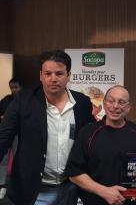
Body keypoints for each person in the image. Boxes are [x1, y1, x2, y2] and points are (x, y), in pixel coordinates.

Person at [0, 50, 95, 205]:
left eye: (59, 73)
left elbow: (91, 141)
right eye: (48, 73)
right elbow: (2, 140)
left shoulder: (82, 103)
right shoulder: (23, 101)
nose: (53, 79)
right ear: (40, 76)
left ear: (68, 75)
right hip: (34, 191)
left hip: (71, 188)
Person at [65, 85, 136, 205]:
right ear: (104, 104)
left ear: (128, 108)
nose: (115, 106)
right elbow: (74, 173)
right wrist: (105, 192)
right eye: (111, 101)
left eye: (121, 102)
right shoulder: (87, 133)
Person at [0, 78, 21, 199]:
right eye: (12, 87)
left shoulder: (25, 101)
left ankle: (17, 185)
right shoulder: (6, 100)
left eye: (16, 87)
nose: (14, 90)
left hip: (19, 134)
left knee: (18, 159)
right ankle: (2, 186)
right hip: (6, 135)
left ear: (21, 87)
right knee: (3, 159)